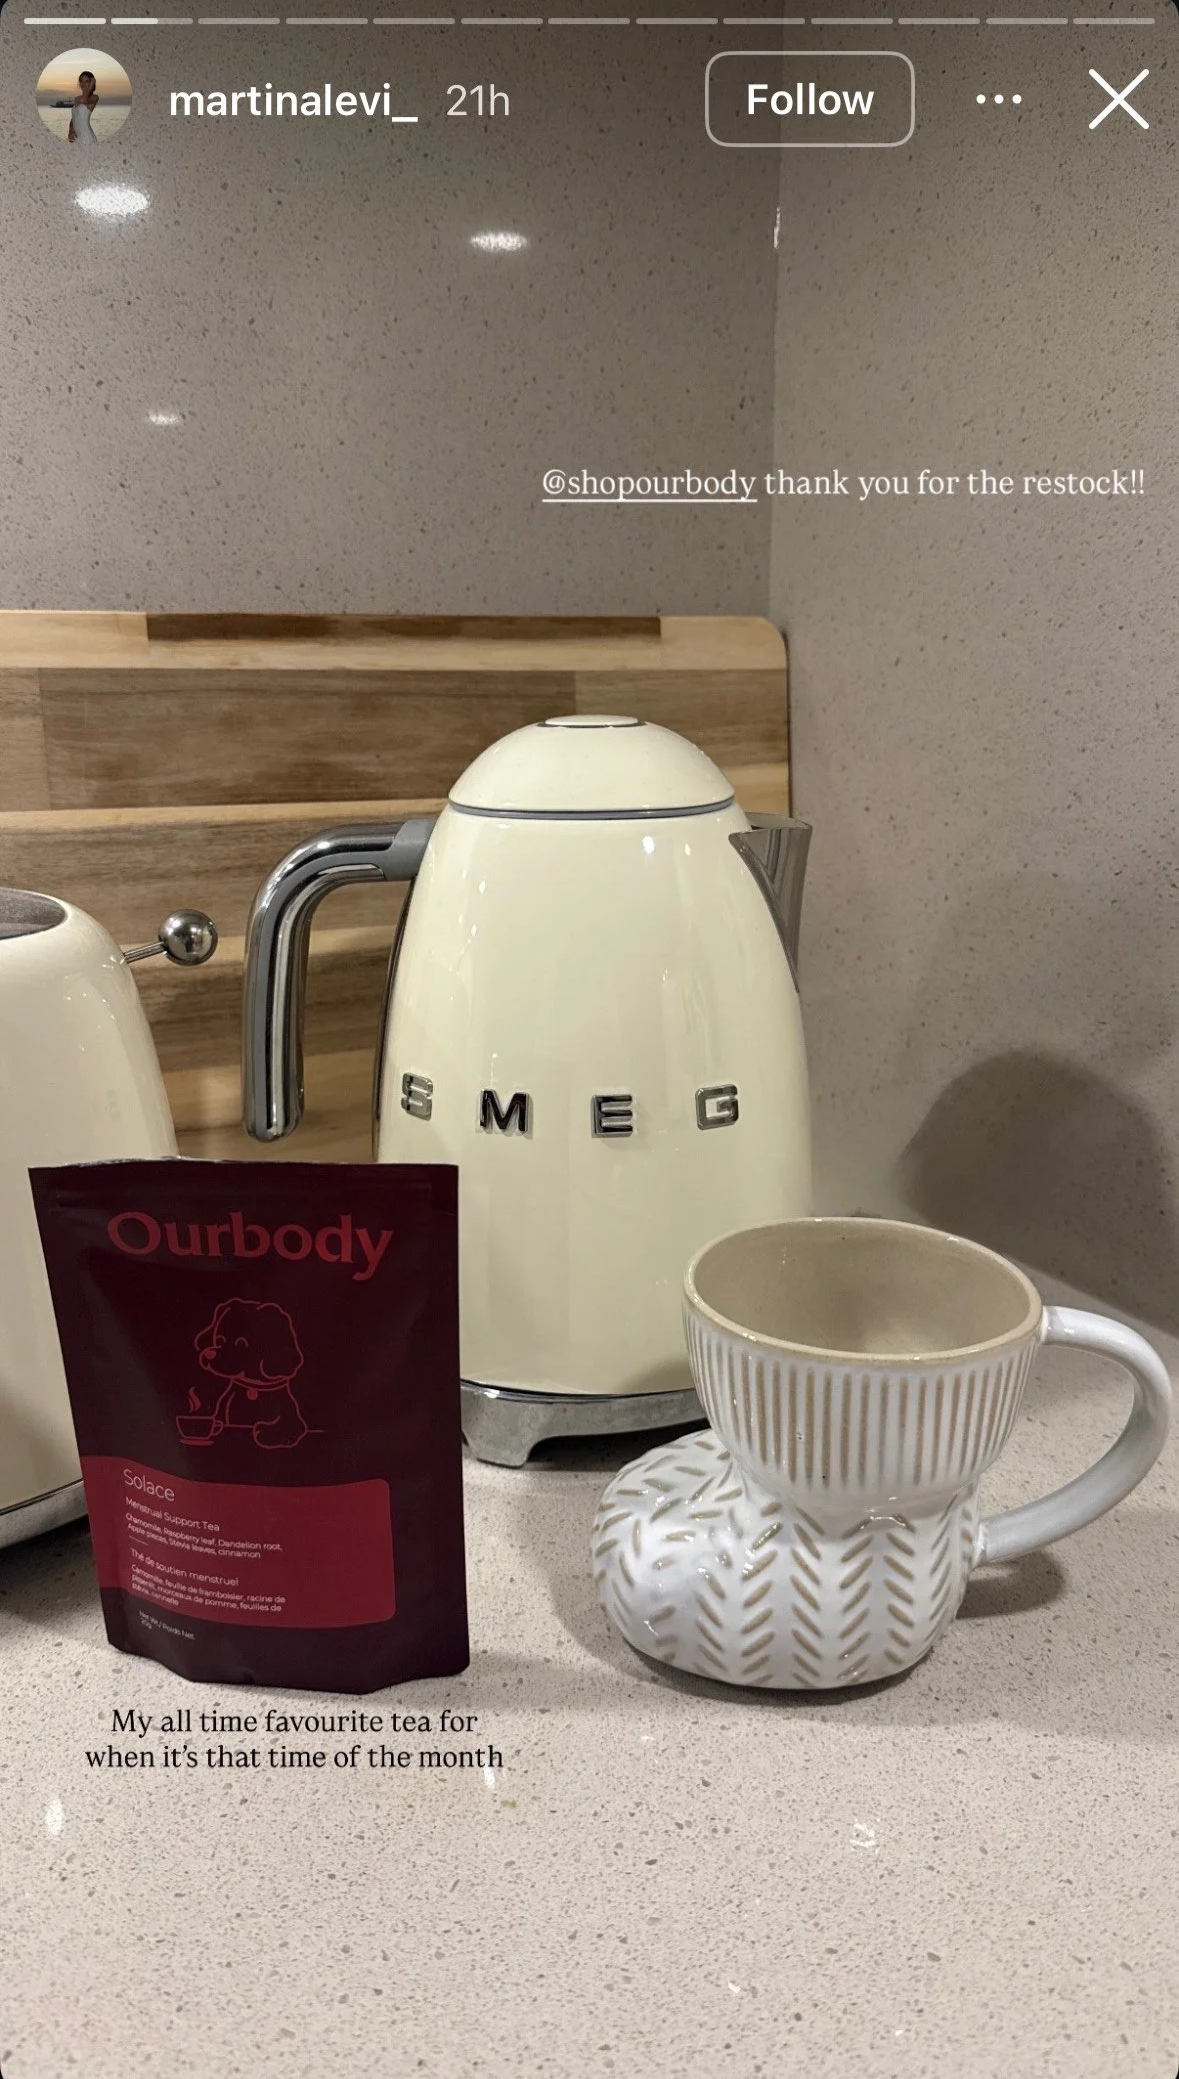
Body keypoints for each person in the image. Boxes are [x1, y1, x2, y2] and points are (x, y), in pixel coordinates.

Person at [67, 70, 99, 145]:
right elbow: (73, 118)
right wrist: (70, 130)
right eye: (81, 81)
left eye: (87, 81)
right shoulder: (77, 98)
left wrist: (91, 87)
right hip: (76, 138)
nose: (83, 84)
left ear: (91, 83)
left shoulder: (95, 97)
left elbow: (83, 100)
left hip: (86, 138)